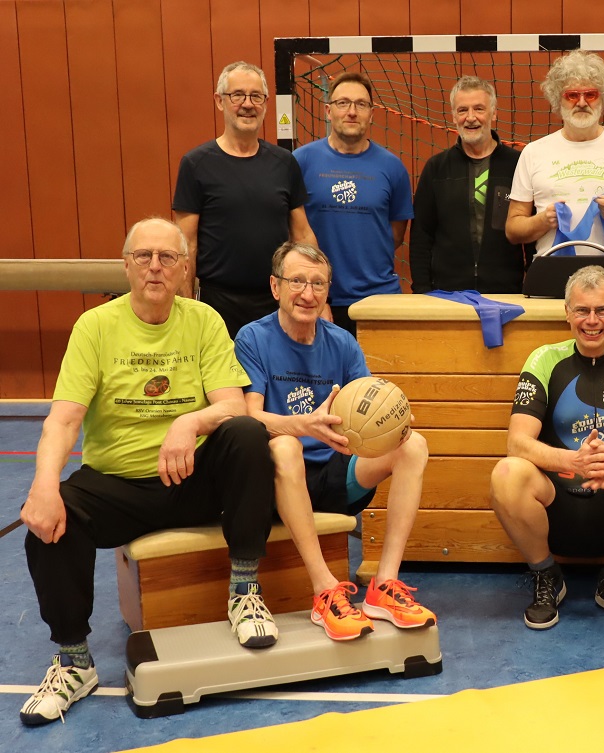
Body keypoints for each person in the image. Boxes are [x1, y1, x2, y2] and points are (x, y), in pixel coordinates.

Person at [18, 218, 276, 726]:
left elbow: (232, 408)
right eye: (143, 256)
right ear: (126, 265)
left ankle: (245, 592)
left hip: (190, 478)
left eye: (167, 257)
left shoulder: (203, 321)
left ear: (184, 269)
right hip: (118, 485)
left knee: (247, 437)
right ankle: (75, 664)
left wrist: (189, 421)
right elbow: (64, 419)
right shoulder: (95, 327)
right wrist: (43, 487)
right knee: (49, 522)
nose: (154, 267)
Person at [235, 241, 435, 642]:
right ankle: (324, 590)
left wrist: (394, 424)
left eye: (318, 284)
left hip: (336, 470)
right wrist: (303, 426)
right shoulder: (252, 338)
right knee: (284, 445)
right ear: (276, 287)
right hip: (279, 479)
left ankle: (384, 586)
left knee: (413, 445)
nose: (307, 294)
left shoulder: (341, 341)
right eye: (297, 282)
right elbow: (249, 417)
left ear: (328, 291)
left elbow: (368, 406)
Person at [489, 266, 604, 630]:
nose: (592, 321)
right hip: (553, 501)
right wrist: (574, 460)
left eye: (602, 310)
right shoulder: (543, 360)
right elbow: (517, 442)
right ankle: (547, 576)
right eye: (582, 310)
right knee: (506, 472)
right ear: (567, 313)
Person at [173, 61, 317, 338]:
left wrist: (315, 296)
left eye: (256, 96)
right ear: (219, 101)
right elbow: (185, 243)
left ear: (265, 103)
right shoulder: (196, 164)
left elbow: (302, 234)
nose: (247, 104)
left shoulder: (284, 163)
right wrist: (186, 306)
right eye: (237, 95)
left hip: (276, 300)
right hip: (217, 304)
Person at [506, 50, 604, 261]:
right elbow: (513, 229)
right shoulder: (533, 152)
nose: (581, 102)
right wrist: (544, 220)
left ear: (603, 98)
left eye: (590, 94)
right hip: (550, 278)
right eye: (572, 95)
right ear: (557, 99)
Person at [294, 71, 415, 336]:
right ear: (328, 111)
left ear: (371, 114)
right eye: (343, 103)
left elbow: (394, 235)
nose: (352, 111)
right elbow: (293, 232)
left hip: (379, 301)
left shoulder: (393, 168)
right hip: (317, 301)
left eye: (361, 104)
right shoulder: (300, 162)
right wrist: (317, 296)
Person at [410, 76, 530, 295]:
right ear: (454, 115)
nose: (471, 118)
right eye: (463, 110)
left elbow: (531, 235)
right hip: (446, 296)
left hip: (506, 295)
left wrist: (531, 288)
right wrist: (422, 291)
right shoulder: (436, 168)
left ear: (494, 113)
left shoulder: (518, 165)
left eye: (479, 109)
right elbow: (421, 237)